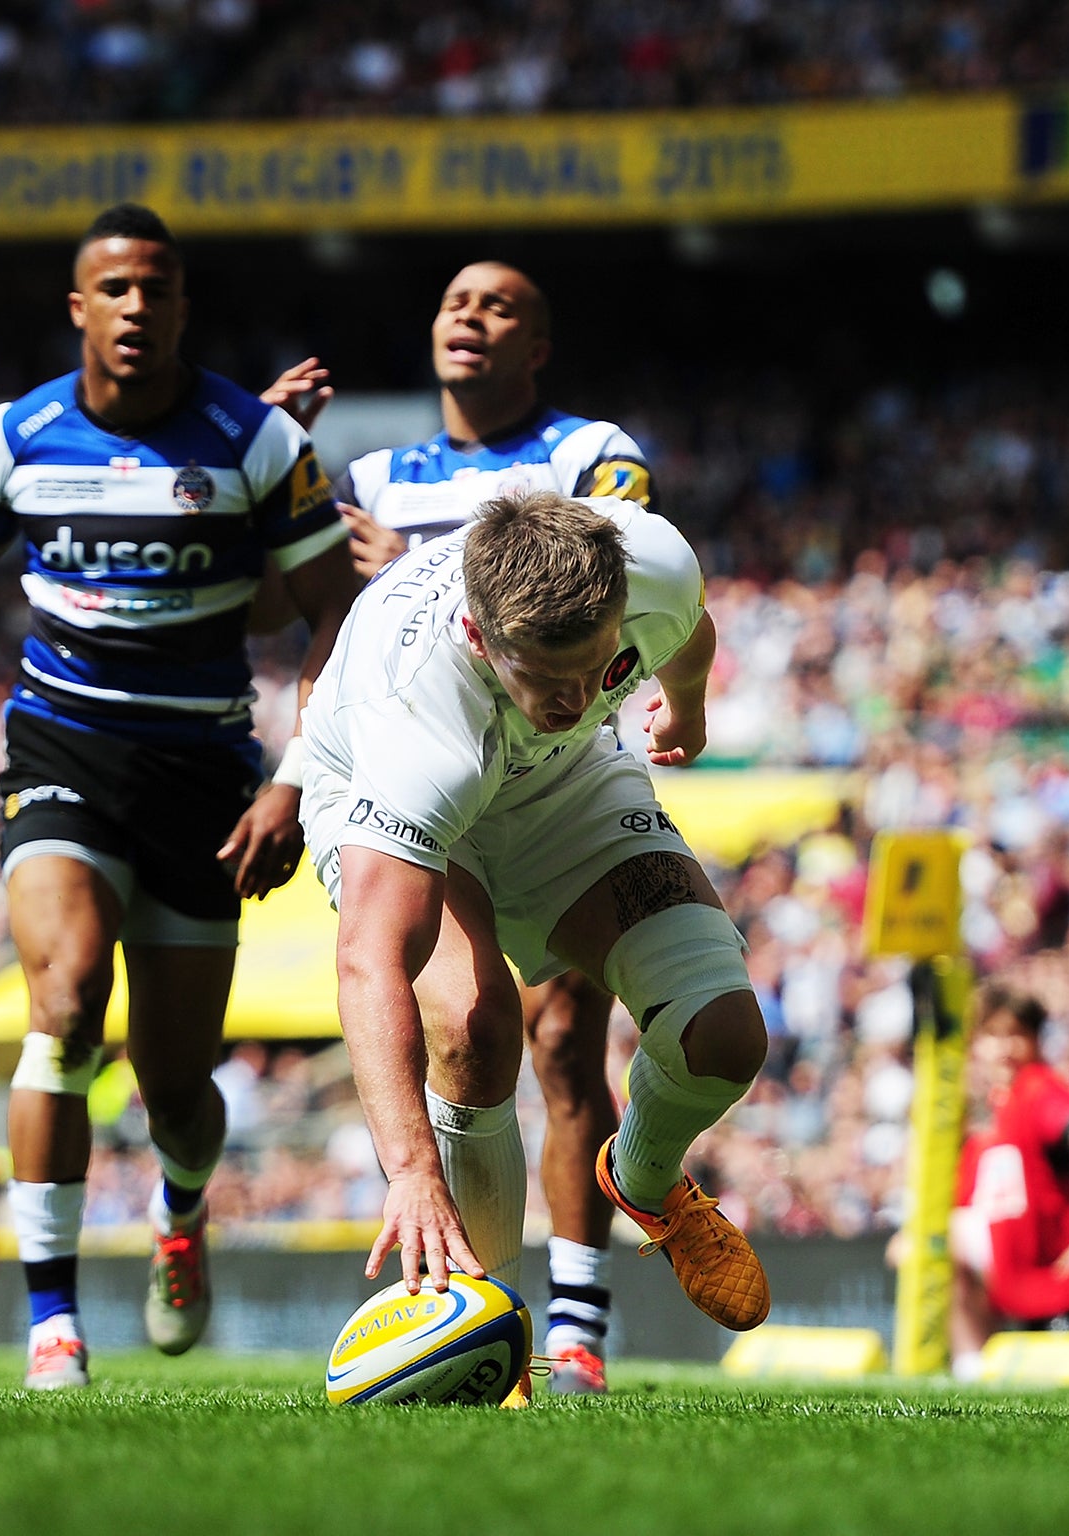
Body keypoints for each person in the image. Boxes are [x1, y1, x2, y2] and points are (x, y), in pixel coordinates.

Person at [0, 204, 355, 1389]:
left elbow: (328, 617)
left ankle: (180, 1208)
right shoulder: (15, 437)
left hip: (205, 774)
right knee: (61, 1003)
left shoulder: (253, 443)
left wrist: (294, 782)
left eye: (158, 287)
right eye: (115, 289)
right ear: (78, 308)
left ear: (181, 306)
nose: (137, 307)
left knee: (175, 1090)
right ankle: (51, 1324)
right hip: (63, 752)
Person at [264, 260, 655, 1394]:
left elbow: (612, 583)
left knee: (562, 1038)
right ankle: (501, 1313)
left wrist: (428, 567)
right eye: (451, 304)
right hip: (424, 781)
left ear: (538, 345)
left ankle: (577, 1326)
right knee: (471, 1029)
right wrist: (265, 475)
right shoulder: (373, 473)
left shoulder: (587, 452)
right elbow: (323, 636)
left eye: (499, 309)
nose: (469, 321)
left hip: (550, 771)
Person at [297, 488, 771, 1403]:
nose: (574, 697)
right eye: (543, 678)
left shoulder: (653, 568)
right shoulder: (418, 725)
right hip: (402, 790)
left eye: (593, 672)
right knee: (474, 1029)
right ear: (482, 640)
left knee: (724, 1037)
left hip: (569, 786)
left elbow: (691, 631)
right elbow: (369, 961)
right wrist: (409, 1174)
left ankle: (641, 1176)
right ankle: (489, 1331)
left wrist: (687, 712)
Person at [945, 989, 1069, 1379]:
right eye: (992, 1035)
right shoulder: (994, 1110)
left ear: (1035, 1041)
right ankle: (970, 1369)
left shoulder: (1036, 1090)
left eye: (1016, 1034)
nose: (1004, 1048)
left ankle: (973, 1366)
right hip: (1028, 1273)